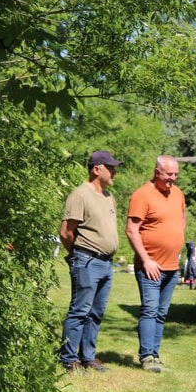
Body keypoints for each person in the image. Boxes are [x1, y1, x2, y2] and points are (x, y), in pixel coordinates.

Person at [58, 150, 123, 373]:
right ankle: (68, 359)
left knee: (96, 312)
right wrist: (76, 254)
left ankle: (88, 357)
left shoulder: (107, 196)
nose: (114, 171)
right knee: (80, 310)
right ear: (97, 169)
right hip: (87, 260)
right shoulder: (80, 195)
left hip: (106, 263)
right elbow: (66, 231)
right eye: (111, 167)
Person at [126, 155, 186, 373]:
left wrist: (176, 248)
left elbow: (181, 219)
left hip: (172, 267)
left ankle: (155, 353)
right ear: (156, 171)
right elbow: (132, 231)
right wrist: (146, 260)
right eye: (169, 174)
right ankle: (147, 355)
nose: (173, 179)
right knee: (150, 310)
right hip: (150, 267)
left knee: (161, 312)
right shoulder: (142, 195)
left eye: (176, 174)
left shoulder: (177, 194)